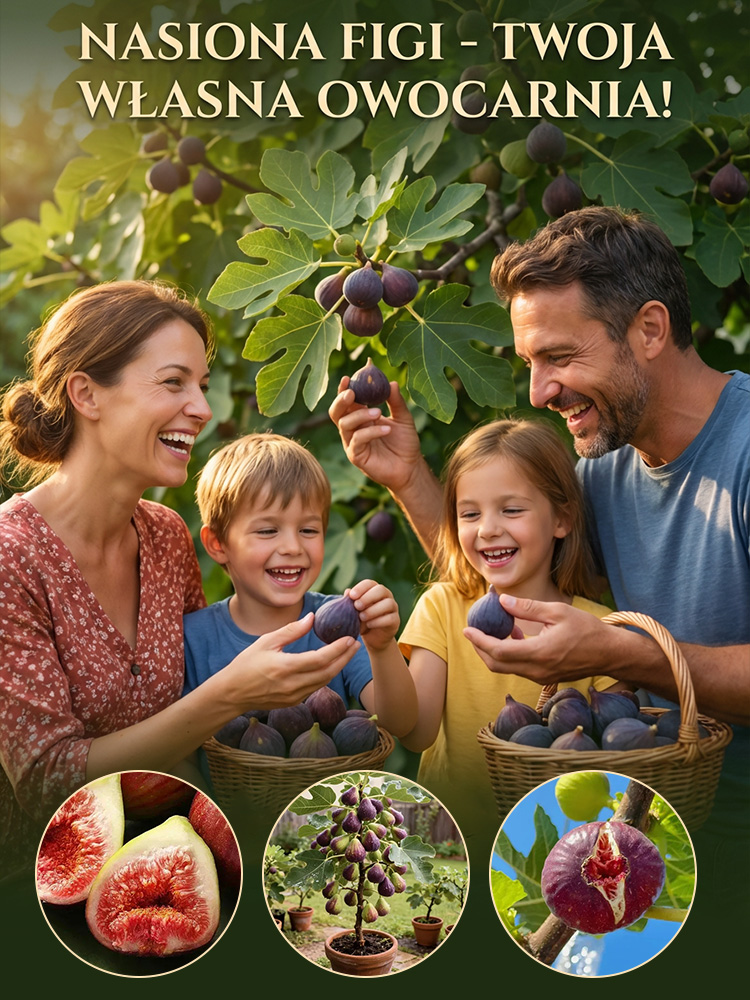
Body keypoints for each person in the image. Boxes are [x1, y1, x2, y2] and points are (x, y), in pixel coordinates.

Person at [329, 205, 749, 918]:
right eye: (530, 364)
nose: (538, 392)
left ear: (649, 330)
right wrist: (409, 480)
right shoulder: (604, 465)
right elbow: (502, 570)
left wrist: (633, 654)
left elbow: (622, 649)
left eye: (559, 357)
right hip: (619, 851)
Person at [0, 280, 360, 879]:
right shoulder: (11, 558)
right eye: (174, 382)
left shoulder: (165, 536)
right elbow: (48, 784)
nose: (202, 407)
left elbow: (189, 733)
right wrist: (232, 693)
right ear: (87, 394)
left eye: (199, 382)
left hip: (183, 857)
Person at [397, 418, 619, 855]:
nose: (488, 529)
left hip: (557, 854)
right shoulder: (442, 607)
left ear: (562, 518)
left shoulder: (602, 631)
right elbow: (416, 733)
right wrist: (381, 645)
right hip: (447, 851)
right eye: (470, 513)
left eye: (511, 510)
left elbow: (618, 749)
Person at [183, 432, 417, 742]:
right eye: (268, 531)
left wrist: (382, 646)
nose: (293, 547)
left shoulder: (342, 626)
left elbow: (398, 724)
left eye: (308, 529)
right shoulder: (191, 638)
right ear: (218, 544)